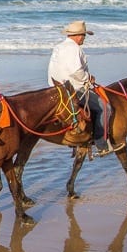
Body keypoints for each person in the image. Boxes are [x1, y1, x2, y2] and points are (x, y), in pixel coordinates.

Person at [48, 20, 123, 157]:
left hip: (55, 88)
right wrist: (88, 78)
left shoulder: (58, 47)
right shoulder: (74, 49)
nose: (84, 39)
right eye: (84, 35)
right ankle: (101, 145)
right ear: (79, 35)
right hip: (73, 89)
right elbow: (77, 72)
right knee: (105, 107)